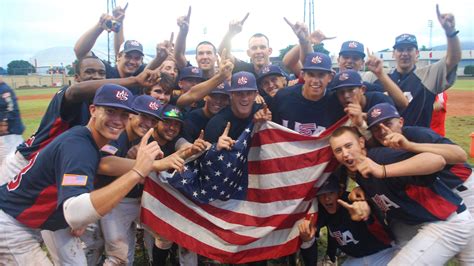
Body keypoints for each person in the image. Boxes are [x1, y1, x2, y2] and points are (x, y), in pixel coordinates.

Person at [0, 84, 165, 265]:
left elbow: (77, 197)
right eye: (110, 111)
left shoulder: (88, 141)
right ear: (93, 110)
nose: (118, 120)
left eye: (124, 114)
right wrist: (137, 170)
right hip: (12, 225)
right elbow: (75, 213)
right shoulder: (79, 146)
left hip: (39, 220)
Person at [0, 55, 159, 186]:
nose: (96, 77)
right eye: (89, 72)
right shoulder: (71, 97)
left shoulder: (104, 106)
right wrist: (135, 80)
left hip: (56, 169)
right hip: (26, 164)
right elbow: (75, 91)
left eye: (101, 73)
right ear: (76, 77)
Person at [328, 125, 474, 265]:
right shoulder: (359, 171)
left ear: (361, 142)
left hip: (448, 221)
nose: (345, 154)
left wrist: (383, 170)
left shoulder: (381, 158)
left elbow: (437, 160)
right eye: (338, 150)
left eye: (348, 146)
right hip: (422, 222)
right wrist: (364, 201)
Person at [95, 95, 162, 265]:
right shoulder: (118, 134)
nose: (148, 123)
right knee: (113, 255)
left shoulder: (144, 137)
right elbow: (104, 164)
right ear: (131, 114)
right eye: (144, 116)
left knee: (124, 253)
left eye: (153, 120)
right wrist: (147, 165)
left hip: (125, 199)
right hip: (106, 200)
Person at [371, 5, 461, 127]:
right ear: (393, 54)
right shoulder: (379, 77)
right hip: (385, 142)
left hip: (417, 142)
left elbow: (453, 59)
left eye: (409, 49)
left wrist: (450, 33)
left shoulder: (428, 76)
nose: (404, 54)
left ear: (417, 53)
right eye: (400, 49)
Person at [299, 176, 397, 265]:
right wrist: (308, 239)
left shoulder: (354, 201)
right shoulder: (322, 211)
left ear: (340, 191)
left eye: (331, 192)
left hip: (383, 253)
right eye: (322, 194)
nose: (327, 198)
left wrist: (368, 214)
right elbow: (313, 236)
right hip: (355, 259)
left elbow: (383, 223)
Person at [270, 52, 345, 136]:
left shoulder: (337, 103)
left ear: (330, 77)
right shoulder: (283, 96)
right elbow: (271, 131)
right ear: (303, 75)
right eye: (311, 74)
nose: (315, 80)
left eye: (321, 75)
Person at [173, 7, 219, 80]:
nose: (205, 57)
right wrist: (183, 31)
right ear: (196, 58)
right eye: (200, 53)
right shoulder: (191, 74)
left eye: (209, 53)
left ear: (216, 57)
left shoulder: (224, 79)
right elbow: (178, 54)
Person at [0, 79, 24, 166]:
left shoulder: (4, 90)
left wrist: (4, 122)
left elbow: (12, 109)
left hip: (10, 135)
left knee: (9, 164)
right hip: (4, 137)